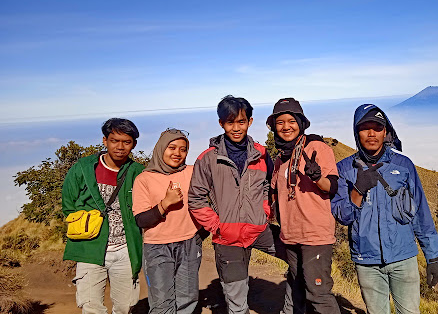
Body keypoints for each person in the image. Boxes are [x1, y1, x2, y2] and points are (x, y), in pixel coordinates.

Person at [331, 104, 438, 314]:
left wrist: (433, 258)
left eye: (378, 127)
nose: (372, 133)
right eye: (365, 128)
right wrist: (358, 189)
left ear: (386, 132)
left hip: (404, 258)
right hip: (366, 261)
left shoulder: (403, 165)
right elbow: (343, 216)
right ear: (357, 132)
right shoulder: (344, 169)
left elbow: (420, 213)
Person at [188, 95, 287, 314]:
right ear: (221, 123)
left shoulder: (261, 155)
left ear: (250, 122)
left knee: (297, 259)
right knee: (237, 299)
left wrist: (264, 211)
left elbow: (267, 186)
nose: (236, 128)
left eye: (241, 122)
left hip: (259, 229)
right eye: (230, 122)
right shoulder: (208, 158)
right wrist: (217, 226)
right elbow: (195, 198)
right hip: (227, 239)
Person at [62, 118, 145, 314]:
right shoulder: (83, 168)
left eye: (126, 142)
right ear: (104, 140)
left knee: (125, 307)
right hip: (90, 248)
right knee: (91, 307)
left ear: (134, 144)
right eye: (114, 140)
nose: (120, 147)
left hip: (126, 249)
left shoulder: (138, 172)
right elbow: (68, 205)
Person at [267, 97, 340, 314]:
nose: (286, 127)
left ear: (301, 122)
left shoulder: (316, 147)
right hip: (291, 235)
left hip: (315, 235)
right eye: (280, 122)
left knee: (318, 294)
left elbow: (332, 187)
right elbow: (274, 193)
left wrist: (317, 178)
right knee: (298, 290)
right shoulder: (281, 158)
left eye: (291, 120)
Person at [132, 129, 202, 314]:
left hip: (189, 243)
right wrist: (165, 203)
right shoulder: (144, 179)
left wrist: (199, 235)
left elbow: (208, 201)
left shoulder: (192, 172)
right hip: (157, 247)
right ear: (161, 148)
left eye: (183, 149)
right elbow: (141, 219)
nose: (177, 153)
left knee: (188, 299)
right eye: (172, 147)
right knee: (162, 303)